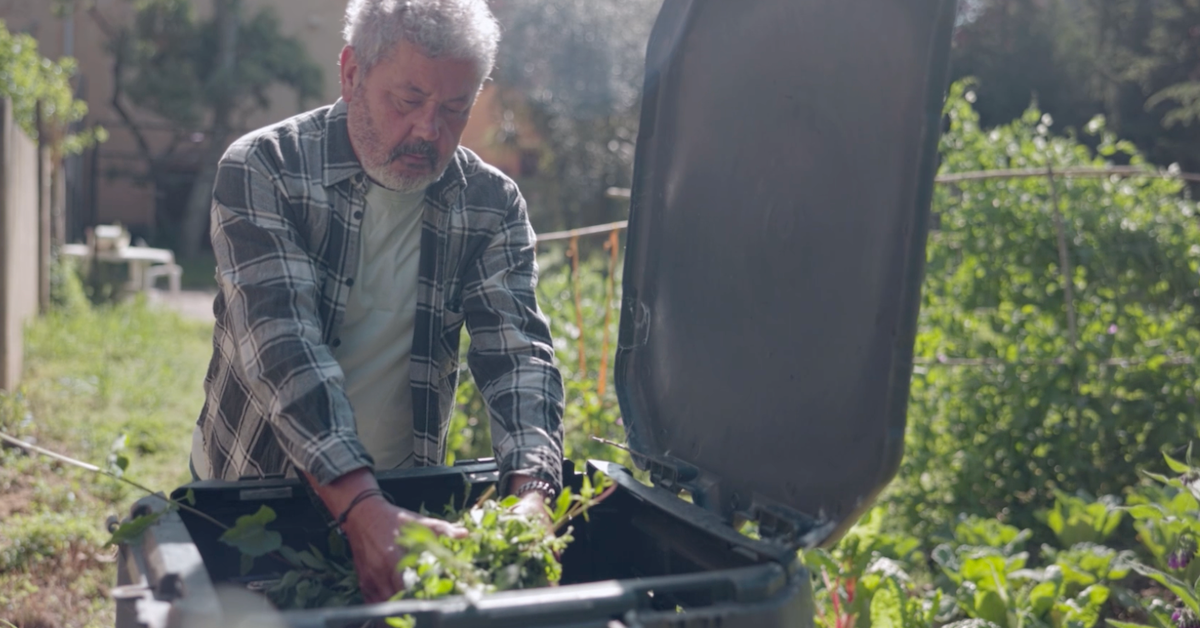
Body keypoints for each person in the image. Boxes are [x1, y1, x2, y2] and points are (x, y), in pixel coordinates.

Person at [189, 0, 565, 603]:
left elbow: (518, 355)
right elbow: (286, 352)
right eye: (407, 100)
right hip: (255, 497)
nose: (428, 130)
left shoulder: (491, 205)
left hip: (400, 497)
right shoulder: (267, 168)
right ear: (350, 73)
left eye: (453, 108)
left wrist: (531, 494)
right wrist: (360, 507)